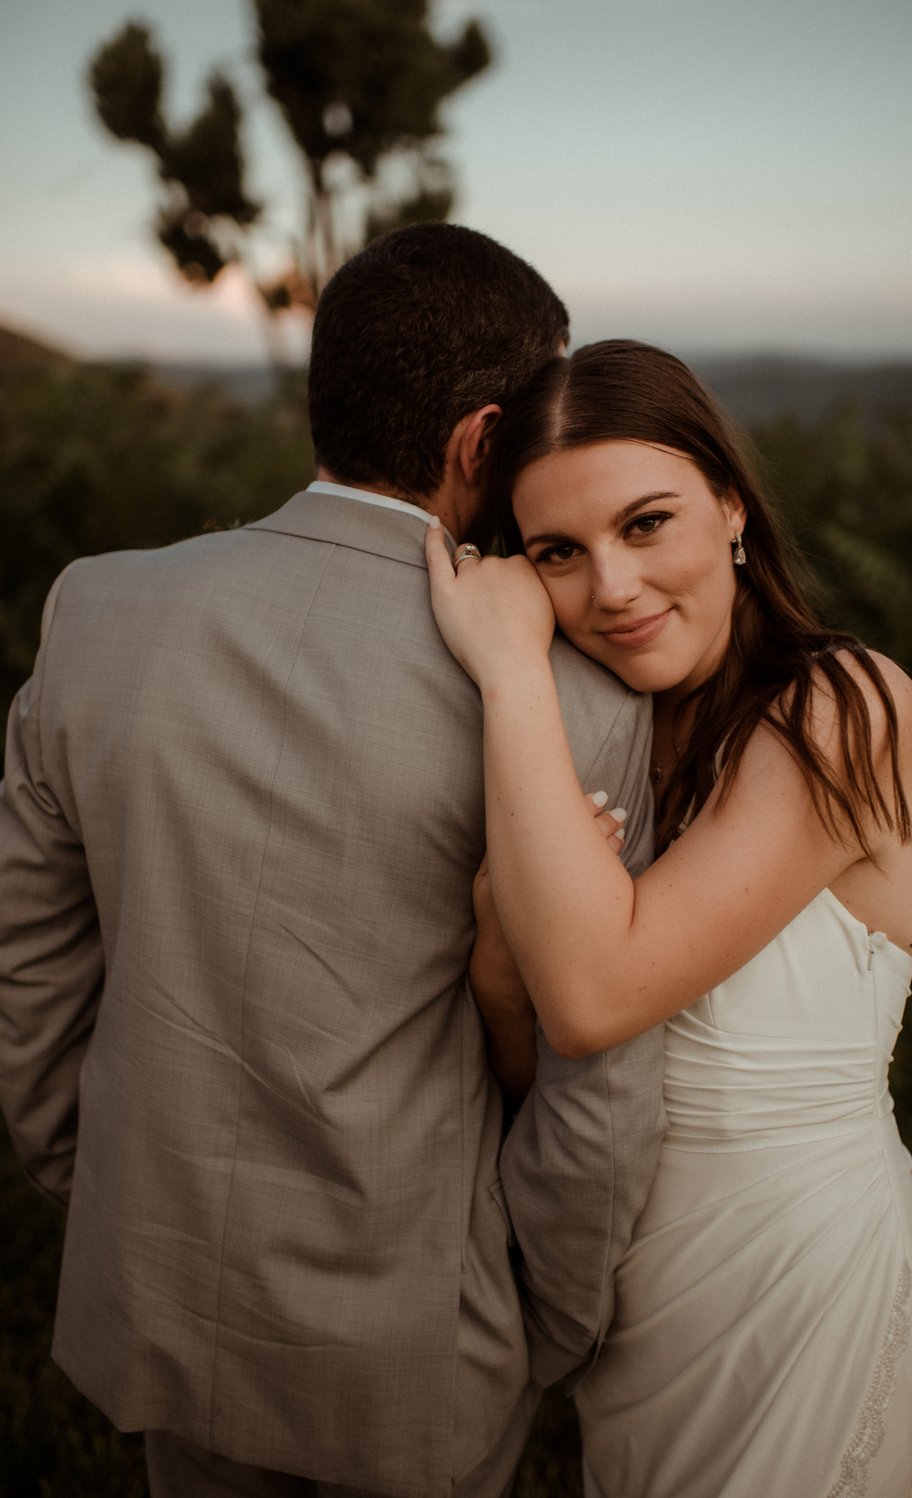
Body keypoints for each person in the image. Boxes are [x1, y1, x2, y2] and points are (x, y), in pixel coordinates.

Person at [0, 233, 667, 1498]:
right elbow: (598, 1081)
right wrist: (545, 1321)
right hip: (424, 1349)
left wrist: (97, 1180)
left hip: (158, 1274)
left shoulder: (97, 611)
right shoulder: (573, 700)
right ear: (482, 443)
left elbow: (28, 960)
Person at [425, 339, 912, 1498]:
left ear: (731, 508)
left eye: (646, 522)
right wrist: (500, 974)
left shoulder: (842, 707)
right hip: (639, 1300)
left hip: (798, 1286)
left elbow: (601, 996)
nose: (610, 587)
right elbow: (547, 1073)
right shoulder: (606, 733)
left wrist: (508, 669)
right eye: (558, 552)